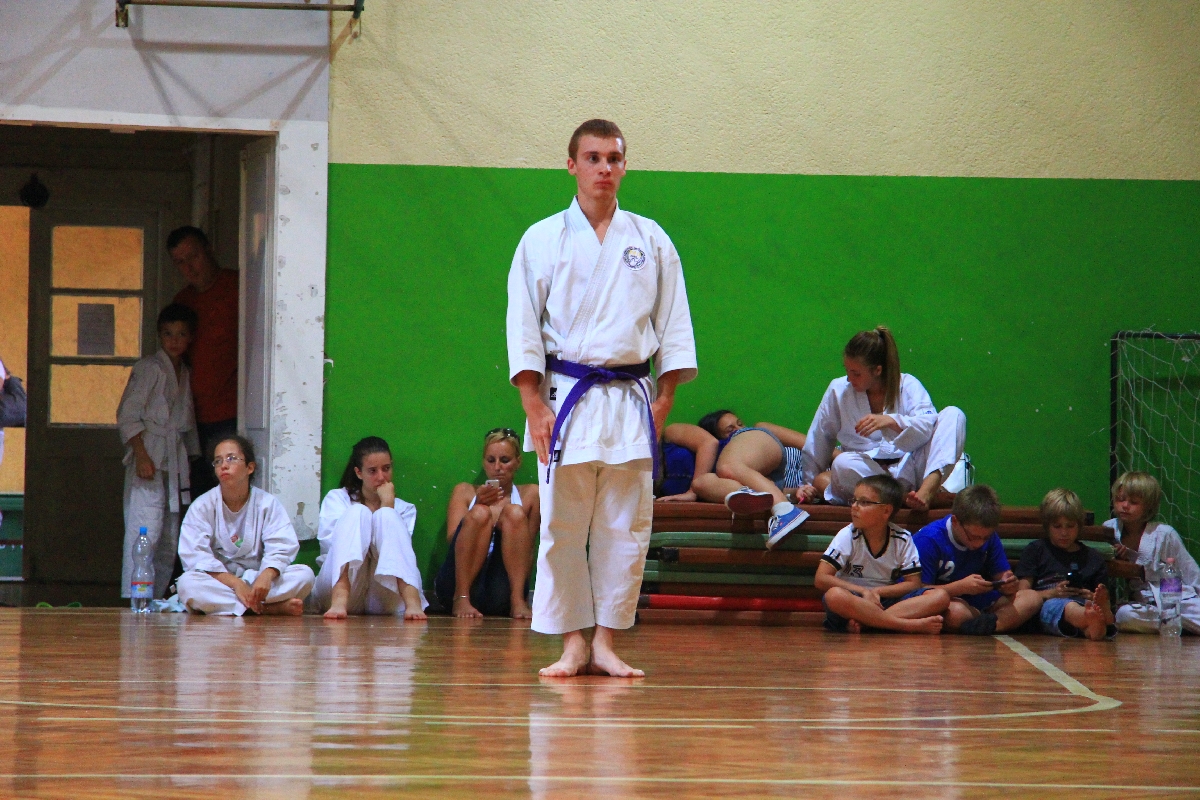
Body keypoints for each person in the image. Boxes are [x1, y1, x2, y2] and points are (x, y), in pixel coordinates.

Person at [507, 119, 697, 677]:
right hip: (564, 398)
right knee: (561, 526)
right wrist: (532, 404)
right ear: (572, 165)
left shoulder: (651, 239)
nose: (604, 169)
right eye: (592, 158)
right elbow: (523, 326)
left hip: (630, 400)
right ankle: (572, 642)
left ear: (624, 165)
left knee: (626, 527)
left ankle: (607, 642)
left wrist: (664, 400)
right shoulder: (541, 239)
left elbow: (674, 324)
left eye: (614, 158)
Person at [802, 326, 966, 510]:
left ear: (877, 370)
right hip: (869, 476)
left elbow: (928, 425)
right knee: (842, 463)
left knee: (954, 414)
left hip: (911, 468)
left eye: (856, 373)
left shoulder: (908, 385)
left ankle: (927, 492)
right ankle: (904, 498)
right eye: (847, 370)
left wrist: (892, 421)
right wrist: (807, 485)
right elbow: (819, 438)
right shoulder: (838, 390)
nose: (849, 378)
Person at [116, 304, 201, 599]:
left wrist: (191, 456)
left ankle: (156, 597)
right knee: (144, 529)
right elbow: (127, 414)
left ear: (190, 337)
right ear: (159, 336)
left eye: (181, 334)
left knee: (169, 535)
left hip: (173, 460)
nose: (174, 341)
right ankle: (135, 597)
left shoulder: (185, 372)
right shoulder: (149, 368)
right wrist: (141, 455)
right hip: (149, 453)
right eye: (168, 334)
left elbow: (186, 420)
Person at [176, 435, 314, 615]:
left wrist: (266, 575)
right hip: (222, 581)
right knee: (188, 584)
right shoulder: (202, 506)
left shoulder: (267, 504)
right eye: (218, 461)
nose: (224, 465)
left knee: (304, 575)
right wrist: (236, 583)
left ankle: (237, 607)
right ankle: (268, 608)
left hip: (258, 580)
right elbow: (195, 556)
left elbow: (281, 547)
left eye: (231, 458)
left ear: (250, 467)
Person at [815, 474, 948, 634]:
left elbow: (913, 584)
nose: (854, 506)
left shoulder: (902, 538)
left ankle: (868, 623)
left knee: (940, 596)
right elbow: (821, 578)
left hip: (886, 600)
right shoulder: (848, 535)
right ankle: (906, 625)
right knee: (834, 596)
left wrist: (876, 592)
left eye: (864, 502)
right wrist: (864, 591)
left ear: (886, 511)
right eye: (854, 500)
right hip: (854, 599)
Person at [314, 436, 427, 620]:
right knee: (358, 512)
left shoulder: (405, 509)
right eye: (373, 471)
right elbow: (333, 548)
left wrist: (387, 506)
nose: (381, 477)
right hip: (339, 587)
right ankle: (339, 602)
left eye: (386, 469)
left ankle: (413, 603)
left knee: (388, 516)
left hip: (383, 595)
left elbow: (398, 556)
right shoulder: (337, 499)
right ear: (359, 473)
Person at [435, 428, 540, 618]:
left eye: (505, 460)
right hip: (459, 582)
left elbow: (527, 550)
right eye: (491, 460)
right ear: (484, 463)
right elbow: (452, 540)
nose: (497, 467)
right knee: (480, 513)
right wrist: (478, 504)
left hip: (501, 587)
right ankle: (461, 599)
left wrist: (523, 595)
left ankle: (517, 601)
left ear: (518, 462)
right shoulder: (464, 491)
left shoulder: (531, 494)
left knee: (514, 513)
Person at [913, 484, 1041, 635]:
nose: (979, 543)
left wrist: (1008, 583)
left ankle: (988, 625)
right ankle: (992, 622)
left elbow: (1002, 576)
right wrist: (960, 587)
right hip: (948, 601)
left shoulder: (989, 537)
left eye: (985, 538)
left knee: (1032, 597)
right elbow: (918, 590)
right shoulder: (929, 539)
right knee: (956, 613)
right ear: (955, 521)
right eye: (973, 537)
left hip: (980, 600)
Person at [168, 226, 239, 499]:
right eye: (180, 262)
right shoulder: (183, 302)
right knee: (199, 495)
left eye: (193, 256)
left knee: (231, 492)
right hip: (192, 417)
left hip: (233, 414)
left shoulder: (238, 287)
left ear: (208, 250)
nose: (189, 267)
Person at [692, 409, 816, 547]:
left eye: (740, 424)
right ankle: (746, 494)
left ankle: (785, 510)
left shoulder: (756, 431)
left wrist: (836, 458)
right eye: (730, 430)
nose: (739, 429)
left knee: (727, 466)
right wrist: (795, 493)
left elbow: (813, 446)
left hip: (762, 450)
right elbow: (768, 485)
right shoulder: (730, 462)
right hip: (770, 481)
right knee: (700, 483)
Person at [1104, 471, 1200, 634]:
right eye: (1120, 499)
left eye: (1134, 502)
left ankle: (1175, 621)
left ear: (1148, 506)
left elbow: (1192, 574)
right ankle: (1175, 623)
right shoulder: (1110, 530)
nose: (1125, 505)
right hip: (1144, 604)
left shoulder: (1164, 534)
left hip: (1177, 598)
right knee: (1124, 616)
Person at [1014, 488, 1115, 640]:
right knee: (1068, 606)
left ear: (1079, 525)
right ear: (1047, 526)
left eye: (1070, 526)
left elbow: (1101, 591)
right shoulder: (1036, 551)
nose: (1064, 533)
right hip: (1051, 605)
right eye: (1057, 526)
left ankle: (1094, 627)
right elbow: (1022, 593)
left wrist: (1092, 596)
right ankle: (1092, 617)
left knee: (1090, 609)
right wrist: (1051, 593)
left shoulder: (1093, 558)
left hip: (1084, 604)